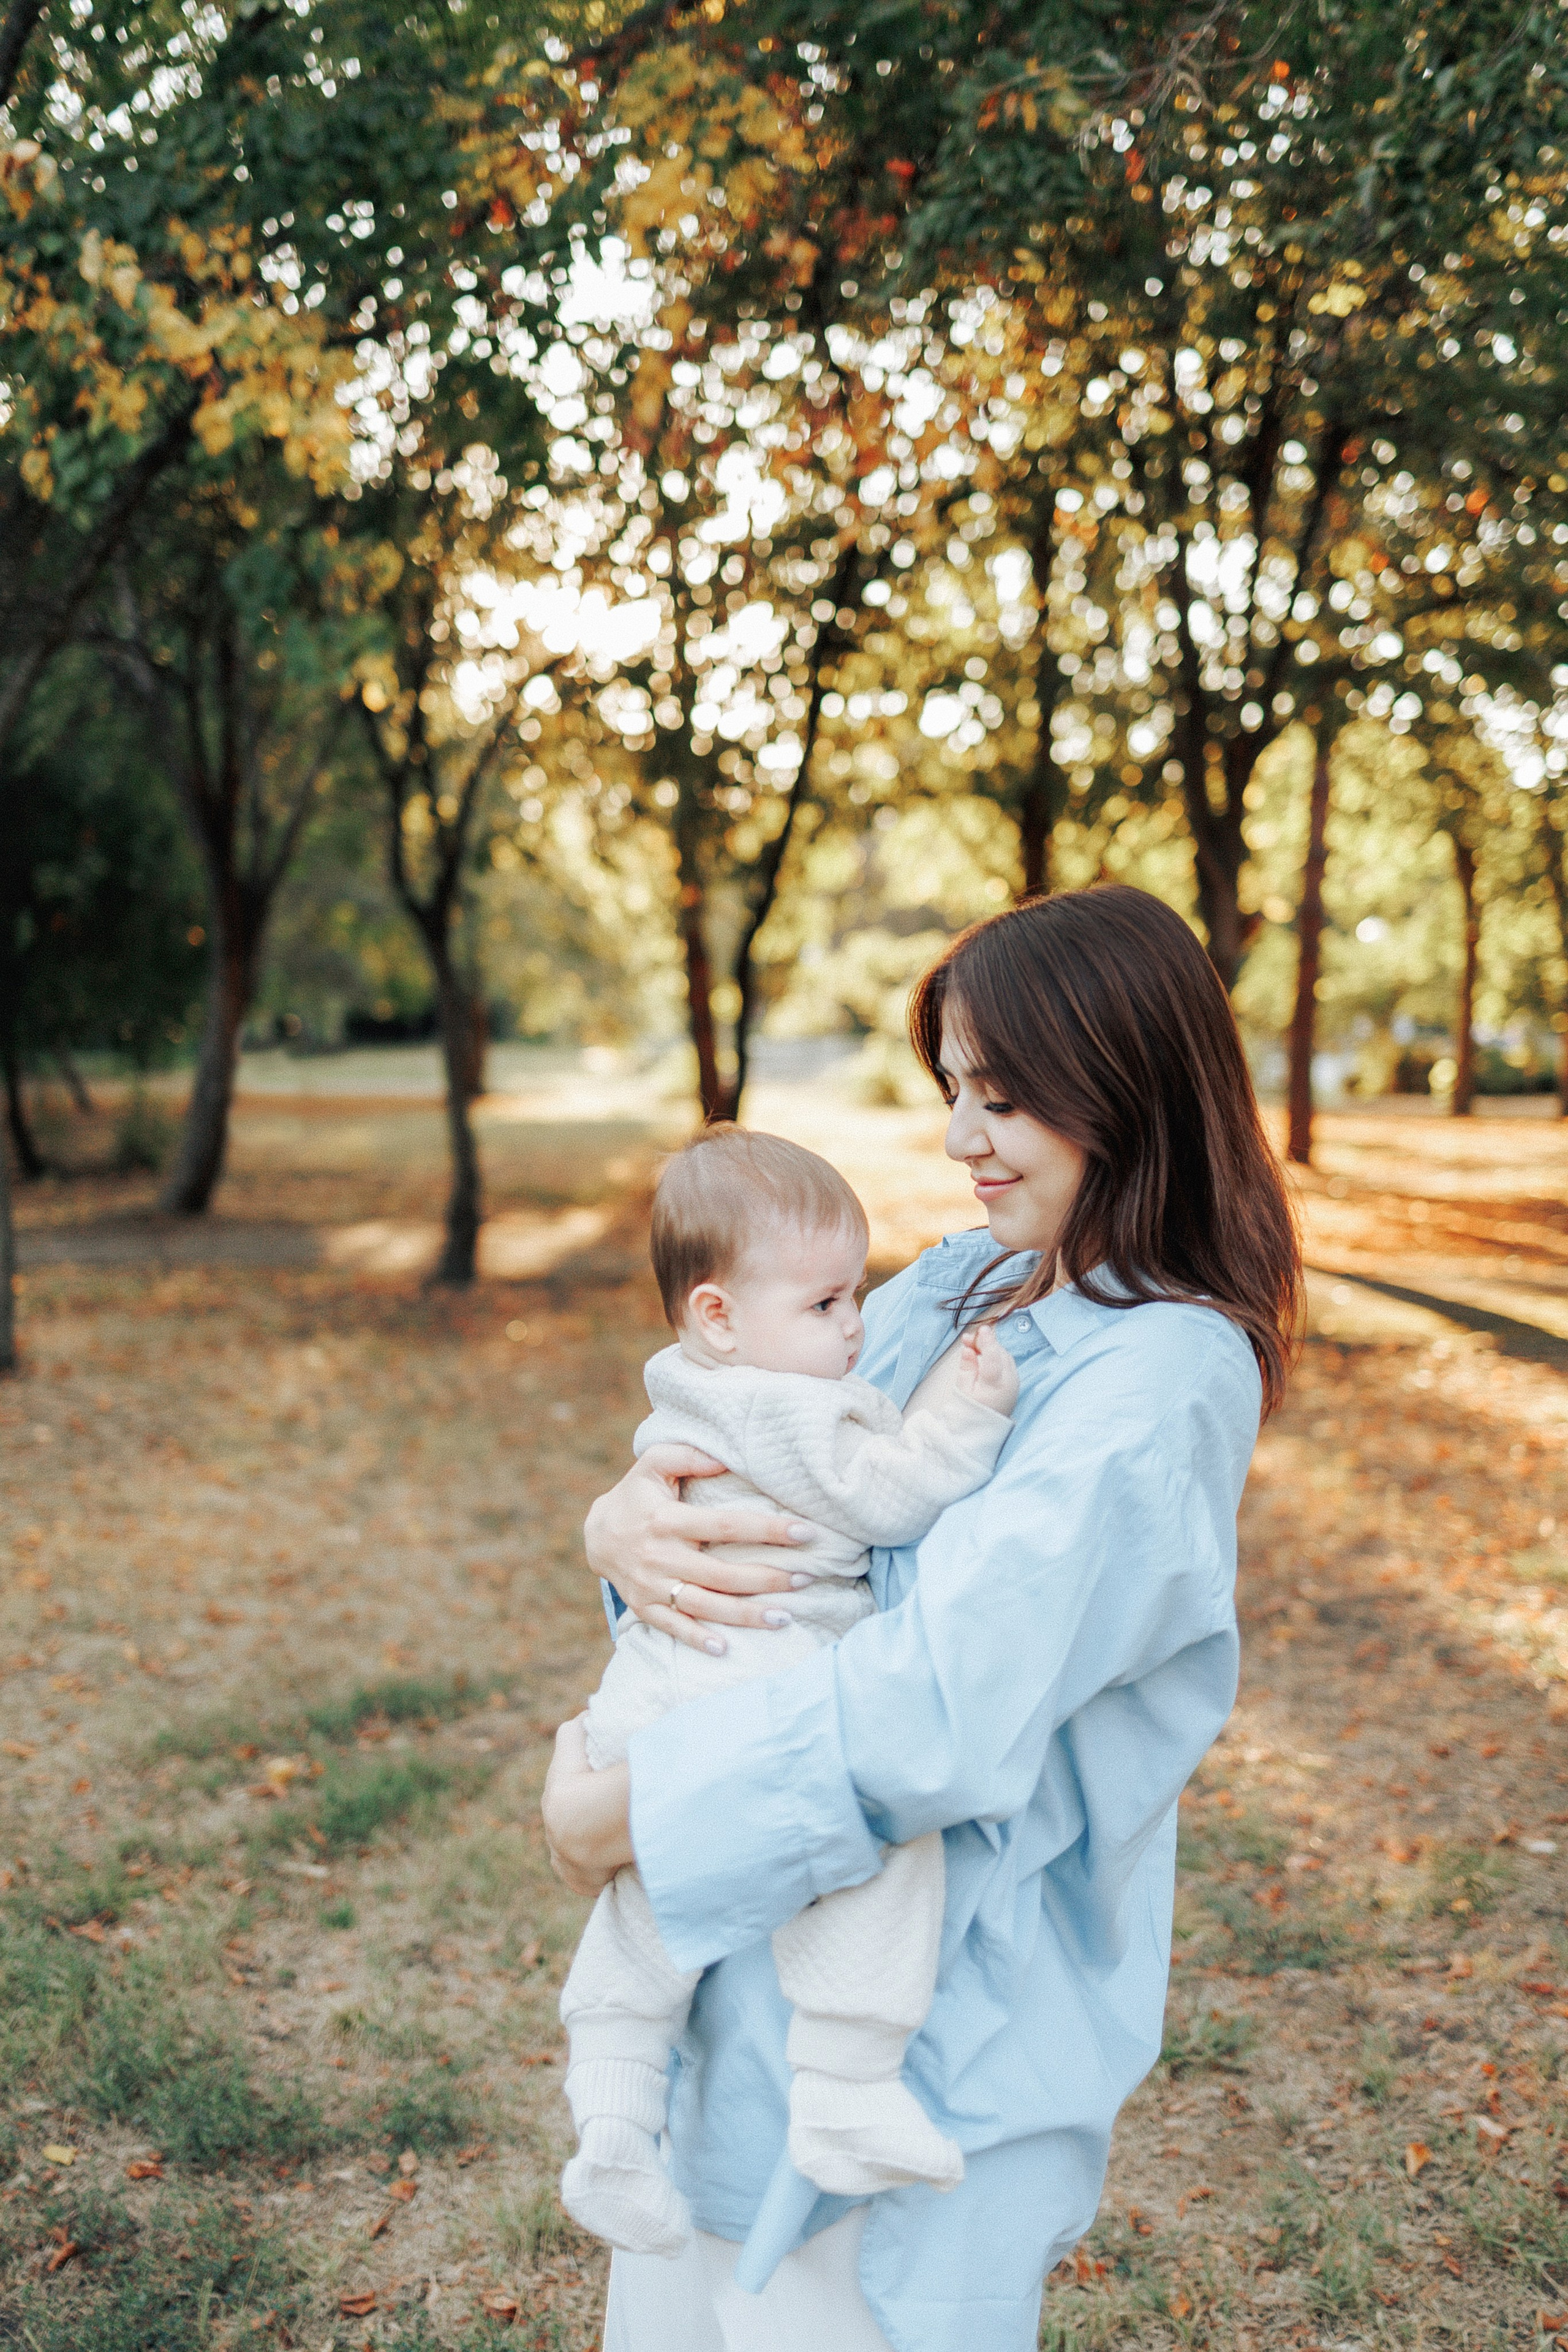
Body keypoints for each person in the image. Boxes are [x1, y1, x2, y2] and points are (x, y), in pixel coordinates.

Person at [542, 885, 1300, 2352]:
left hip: (935, 2042)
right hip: (743, 1998)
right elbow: (770, 1464)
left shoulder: (1155, 1386)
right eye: (954, 1087)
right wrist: (620, 1528)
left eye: (1003, 1097)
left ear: (1123, 1085)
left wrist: (624, 1817)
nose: (959, 1136)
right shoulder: (966, 1283)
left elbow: (934, 1709)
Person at [559, 1126, 1017, 2257]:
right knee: (885, 1852)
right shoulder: (793, 1404)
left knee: (646, 1911)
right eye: (826, 1305)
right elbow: (893, 1493)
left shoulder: (695, 1387)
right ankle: (847, 2085)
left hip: (656, 1685)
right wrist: (968, 1415)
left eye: (856, 1295)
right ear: (719, 1315)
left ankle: (612, 2128)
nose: (855, 1326)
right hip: (756, 1672)